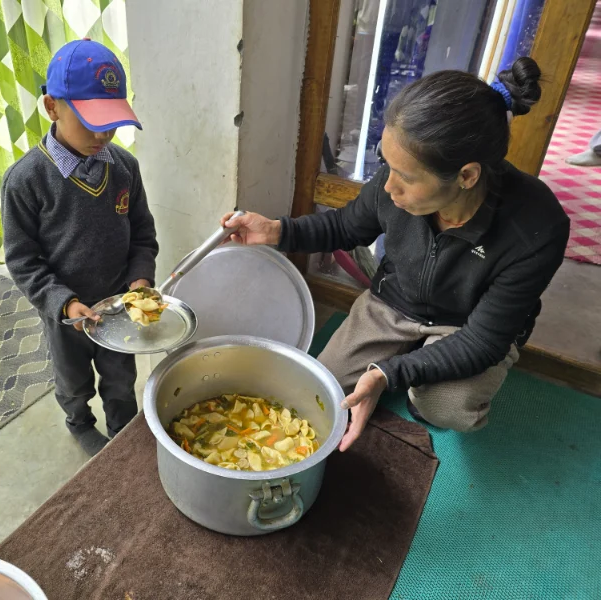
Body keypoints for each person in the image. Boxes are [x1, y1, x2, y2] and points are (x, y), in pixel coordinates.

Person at [222, 57, 569, 451]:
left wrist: (388, 374)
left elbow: (481, 342)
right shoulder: (396, 174)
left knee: (447, 407)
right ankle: (409, 361)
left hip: (465, 326)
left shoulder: (537, 228)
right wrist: (276, 231)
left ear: (467, 176)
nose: (388, 187)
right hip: (394, 303)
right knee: (324, 387)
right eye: (387, 166)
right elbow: (345, 227)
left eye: (404, 178)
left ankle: (420, 385)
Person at [2, 39, 158, 456]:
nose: (103, 135)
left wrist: (140, 278)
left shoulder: (125, 167)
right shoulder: (26, 180)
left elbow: (142, 234)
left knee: (121, 378)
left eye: (111, 124)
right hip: (66, 315)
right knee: (72, 380)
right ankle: (80, 421)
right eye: (91, 122)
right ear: (52, 107)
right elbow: (22, 259)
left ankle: (123, 426)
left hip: (117, 307)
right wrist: (63, 302)